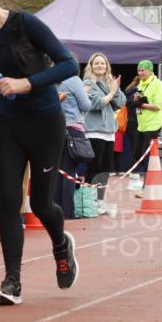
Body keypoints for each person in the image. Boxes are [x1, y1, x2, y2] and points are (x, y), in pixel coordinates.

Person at [0, 0, 79, 306]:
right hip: (10, 126)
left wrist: (27, 83)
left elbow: (69, 64)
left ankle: (61, 245)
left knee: (40, 204)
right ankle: (12, 281)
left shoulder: (25, 24)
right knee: (9, 199)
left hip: (45, 123)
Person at [82, 52, 125, 215]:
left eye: (103, 63)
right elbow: (95, 104)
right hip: (94, 131)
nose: (100, 66)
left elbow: (121, 103)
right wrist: (111, 93)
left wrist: (115, 89)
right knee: (94, 167)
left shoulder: (109, 82)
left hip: (109, 132)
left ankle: (100, 201)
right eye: (96, 63)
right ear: (91, 66)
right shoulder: (88, 83)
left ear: (107, 66)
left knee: (105, 169)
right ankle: (90, 202)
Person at [56, 68, 92, 222]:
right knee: (69, 171)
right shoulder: (74, 80)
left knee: (57, 171)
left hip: (53, 129)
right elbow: (86, 106)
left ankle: (56, 208)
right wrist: (85, 93)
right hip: (72, 128)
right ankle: (68, 210)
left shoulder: (49, 79)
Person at [131, 59, 162, 195]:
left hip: (153, 124)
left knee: (148, 156)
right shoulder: (141, 83)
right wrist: (137, 100)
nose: (140, 73)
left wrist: (141, 104)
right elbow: (140, 101)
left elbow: (157, 106)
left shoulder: (157, 84)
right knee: (137, 153)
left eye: (143, 70)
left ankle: (147, 186)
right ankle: (141, 181)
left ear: (150, 71)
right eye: (138, 70)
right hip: (142, 125)